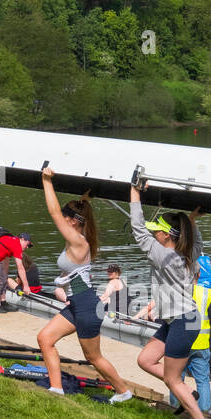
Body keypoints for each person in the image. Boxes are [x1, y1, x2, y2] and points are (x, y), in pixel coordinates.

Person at [34, 167, 132, 401]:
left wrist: (46, 181)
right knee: (45, 339)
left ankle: (123, 391)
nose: (62, 222)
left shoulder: (79, 242)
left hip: (87, 305)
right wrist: (84, 201)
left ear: (73, 222)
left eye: (66, 219)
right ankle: (56, 389)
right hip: (78, 304)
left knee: (93, 357)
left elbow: (54, 212)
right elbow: (71, 215)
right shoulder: (79, 237)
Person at [129, 179, 209, 419]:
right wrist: (192, 219)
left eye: (157, 231)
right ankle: (183, 389)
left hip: (184, 321)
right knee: (146, 360)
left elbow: (138, 229)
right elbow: (196, 242)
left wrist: (134, 193)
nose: (154, 233)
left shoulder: (163, 255)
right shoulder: (188, 254)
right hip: (177, 320)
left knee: (172, 379)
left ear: (166, 235)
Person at [168, 281, 211, 414]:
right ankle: (205, 412)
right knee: (202, 380)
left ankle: (175, 407)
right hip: (201, 344)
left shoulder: (176, 290)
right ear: (198, 275)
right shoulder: (206, 293)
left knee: (176, 377)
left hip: (180, 341)